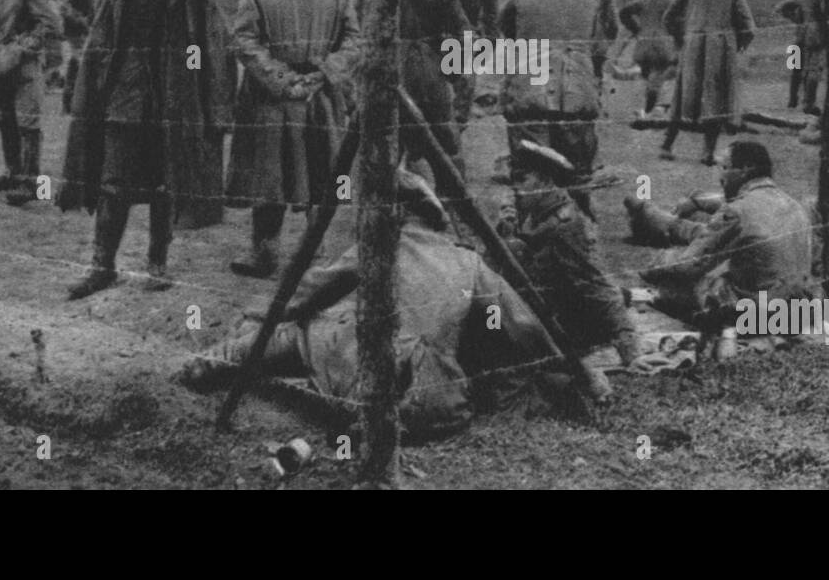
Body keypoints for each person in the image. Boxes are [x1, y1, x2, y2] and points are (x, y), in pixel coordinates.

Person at [180, 169, 569, 439]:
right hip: (425, 394)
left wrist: (256, 313)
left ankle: (213, 360)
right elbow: (526, 326)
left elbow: (304, 295)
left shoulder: (376, 247)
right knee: (431, 382)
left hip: (355, 371)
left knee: (298, 332)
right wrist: (568, 371)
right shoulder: (468, 262)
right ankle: (374, 421)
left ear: (396, 212)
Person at [59, 0, 233, 299]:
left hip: (173, 103)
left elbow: (211, 48)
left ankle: (158, 264)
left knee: (164, 185)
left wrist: (212, 104)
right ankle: (102, 266)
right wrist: (89, 91)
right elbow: (99, 40)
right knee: (112, 184)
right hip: (124, 98)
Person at [226, 0, 359, 279]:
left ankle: (265, 253)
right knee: (321, 173)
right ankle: (315, 258)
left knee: (270, 177)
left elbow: (245, 43)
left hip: (272, 99)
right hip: (321, 97)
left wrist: (284, 81)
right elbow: (353, 41)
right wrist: (323, 74)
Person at [637, 141, 822, 334]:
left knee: (675, 282)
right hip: (798, 310)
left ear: (745, 169)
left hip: (758, 315)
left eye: (725, 168)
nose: (720, 177)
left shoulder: (737, 211)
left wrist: (655, 268)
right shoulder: (795, 207)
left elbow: (690, 265)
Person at [504, 140, 642, 371]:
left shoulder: (566, 225)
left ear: (545, 180)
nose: (515, 189)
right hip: (537, 303)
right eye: (513, 181)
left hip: (565, 320)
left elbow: (597, 287)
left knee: (495, 335)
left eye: (522, 180)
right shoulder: (531, 209)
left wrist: (630, 351)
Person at [498, 0, 605, 216]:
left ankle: (531, 234)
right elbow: (598, 39)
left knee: (529, 169)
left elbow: (505, 28)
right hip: (577, 89)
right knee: (579, 172)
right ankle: (580, 233)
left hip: (531, 85)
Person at [660, 0, 755, 165]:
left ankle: (667, 145)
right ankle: (708, 152)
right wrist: (739, 44)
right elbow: (749, 27)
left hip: (692, 45)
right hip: (721, 49)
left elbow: (668, 17)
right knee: (716, 96)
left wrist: (681, 38)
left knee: (683, 92)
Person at [0, 0, 62, 206]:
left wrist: (24, 46)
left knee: (28, 124)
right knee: (5, 120)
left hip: (25, 64)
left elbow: (52, 24)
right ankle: (13, 172)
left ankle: (32, 182)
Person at [398, 0, 471, 176]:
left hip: (389, 71)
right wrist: (453, 71)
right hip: (430, 70)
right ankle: (453, 206)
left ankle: (388, 210)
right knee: (446, 144)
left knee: (389, 143)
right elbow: (464, 34)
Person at [429, 0, 499, 133]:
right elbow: (491, 16)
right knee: (460, 107)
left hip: (435, 40)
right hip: (468, 43)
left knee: (433, 101)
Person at [58, 0, 110, 114]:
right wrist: (81, 20)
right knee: (78, 66)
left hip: (94, 30)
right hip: (75, 32)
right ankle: (72, 102)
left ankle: (78, 102)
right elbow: (64, 6)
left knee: (83, 67)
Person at [619, 0, 676, 119]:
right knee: (661, 74)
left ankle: (643, 109)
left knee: (645, 75)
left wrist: (636, 29)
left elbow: (624, 12)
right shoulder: (670, 3)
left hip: (644, 43)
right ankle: (656, 108)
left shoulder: (642, 2)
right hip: (663, 44)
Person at [774, 0, 826, 116]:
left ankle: (792, 100)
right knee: (813, 68)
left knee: (795, 67)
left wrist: (796, 19)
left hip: (798, 34)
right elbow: (824, 14)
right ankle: (809, 103)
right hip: (815, 35)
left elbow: (780, 7)